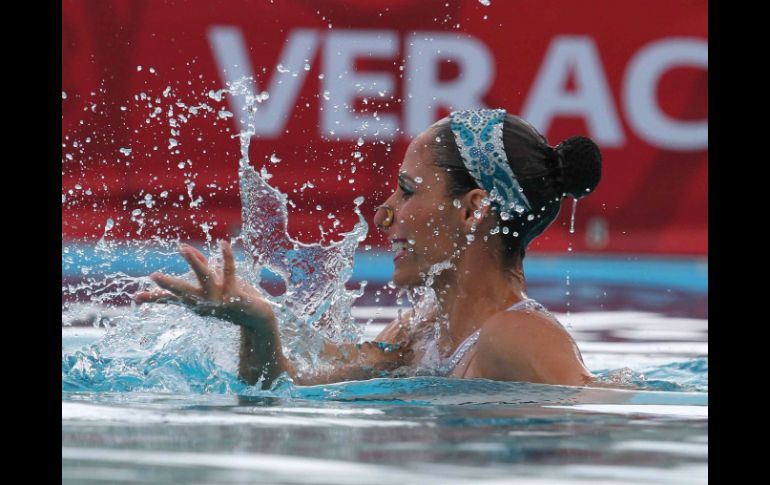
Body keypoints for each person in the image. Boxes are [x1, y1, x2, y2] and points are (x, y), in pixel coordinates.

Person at [135, 109, 602, 389]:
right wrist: (258, 323)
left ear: (471, 209)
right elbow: (285, 386)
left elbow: (596, 439)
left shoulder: (518, 336)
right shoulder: (420, 333)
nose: (383, 214)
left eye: (408, 190)